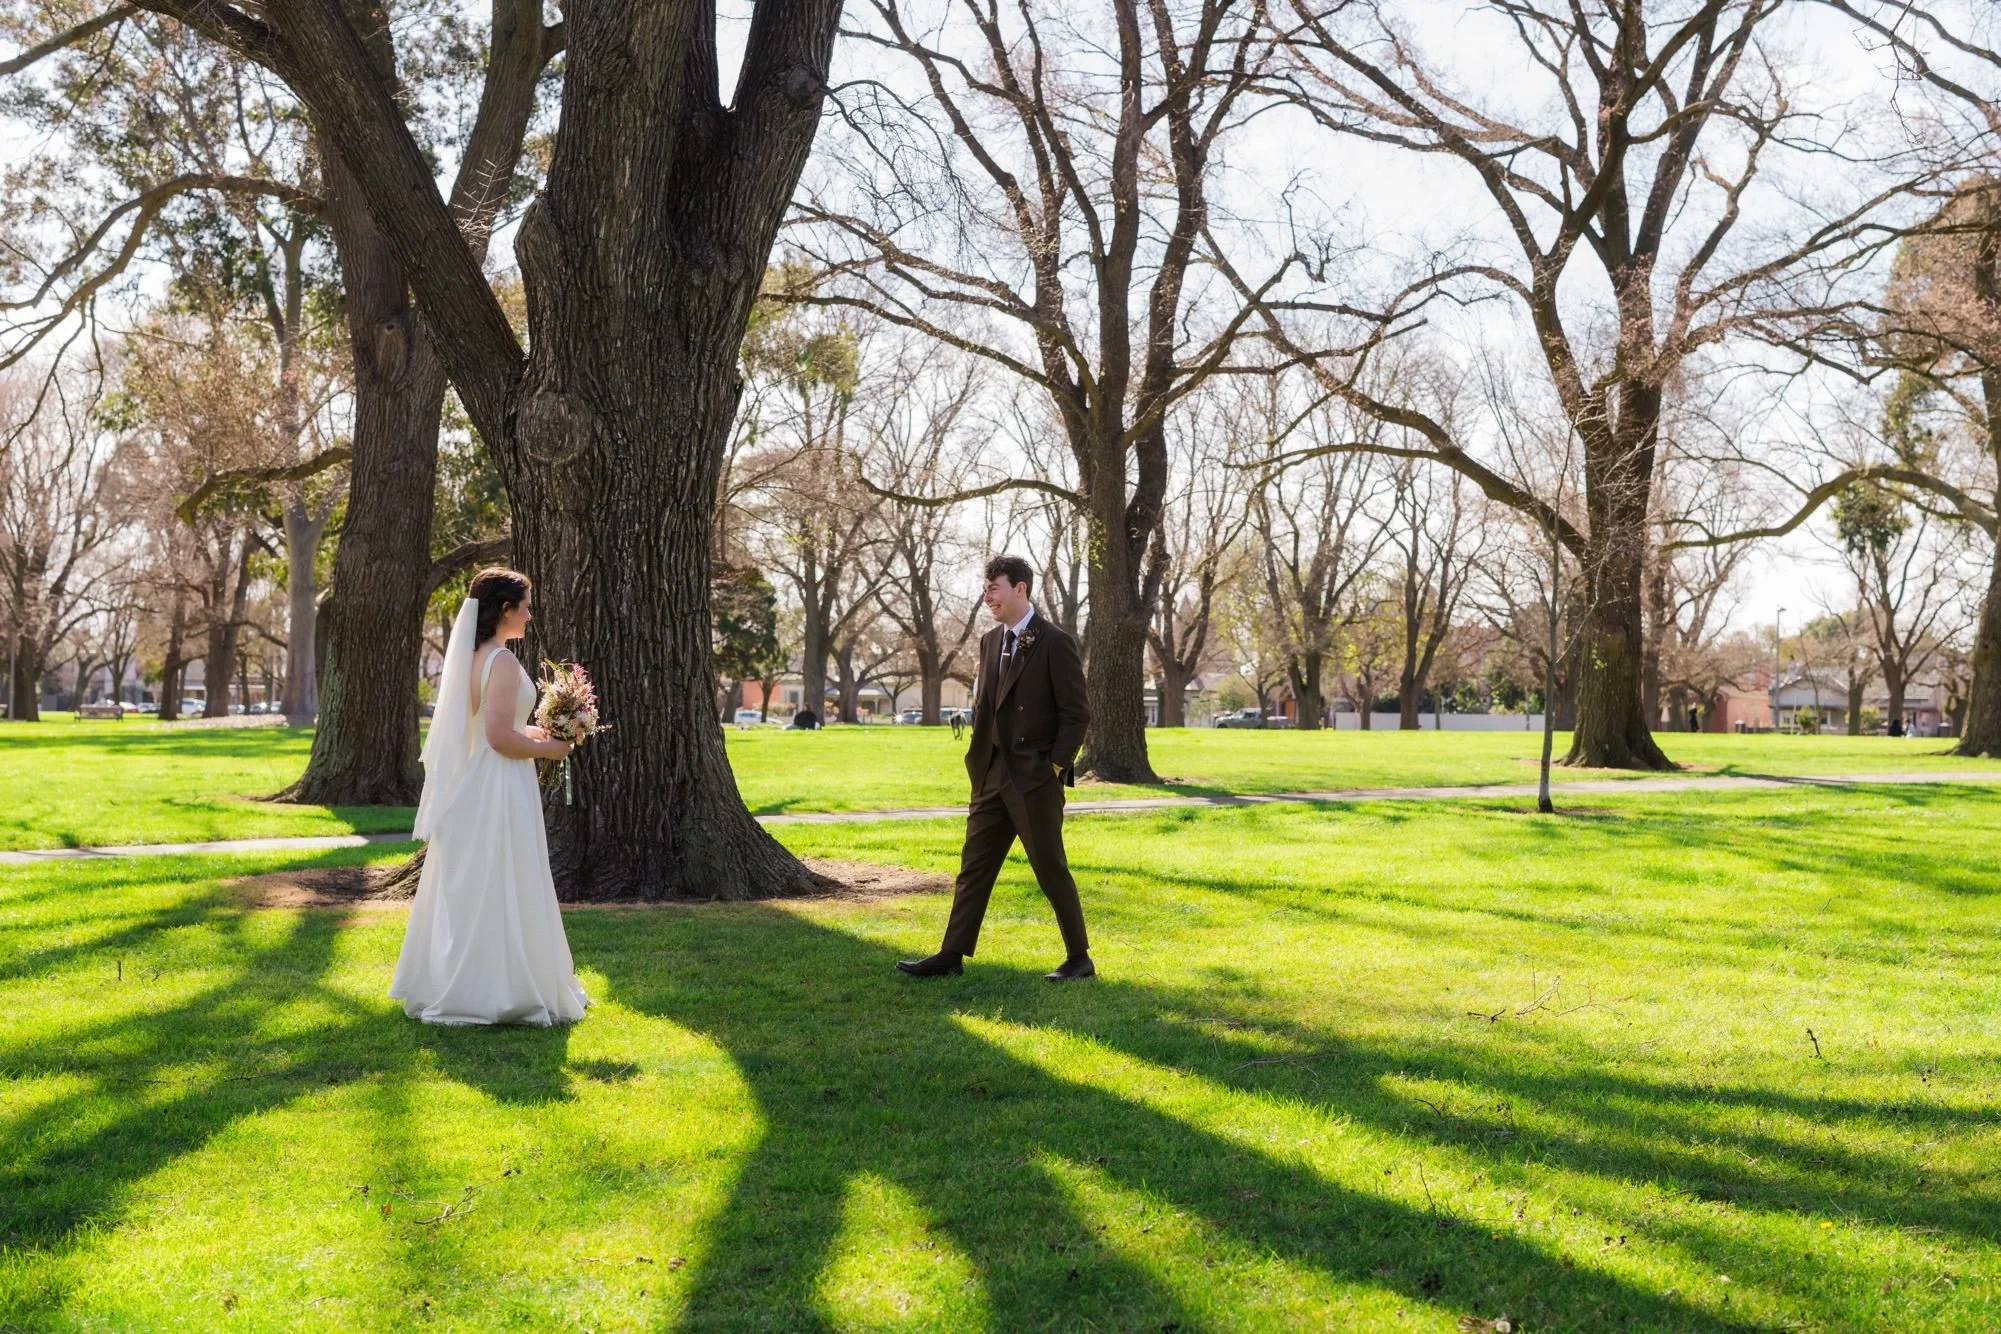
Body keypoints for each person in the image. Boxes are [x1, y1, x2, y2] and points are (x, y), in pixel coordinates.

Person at [390, 568, 589, 1026]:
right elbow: (499, 739)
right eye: (525, 605)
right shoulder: (499, 661)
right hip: (497, 785)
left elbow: (486, 727)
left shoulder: (475, 656)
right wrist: (550, 748)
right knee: (502, 878)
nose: (530, 613)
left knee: (482, 883)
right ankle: (496, 990)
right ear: (505, 610)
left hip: (479, 783)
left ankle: (471, 980)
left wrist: (536, 730)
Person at [898, 555, 1095, 982]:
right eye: (985, 589)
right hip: (990, 776)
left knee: (1049, 866)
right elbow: (986, 708)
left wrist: (1054, 765)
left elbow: (1077, 713)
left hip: (1034, 779)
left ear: (1020, 589)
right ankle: (951, 955)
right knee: (975, 867)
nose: (987, 597)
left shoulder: (1054, 641)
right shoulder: (990, 642)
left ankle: (1079, 957)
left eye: (994, 588)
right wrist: (978, 762)